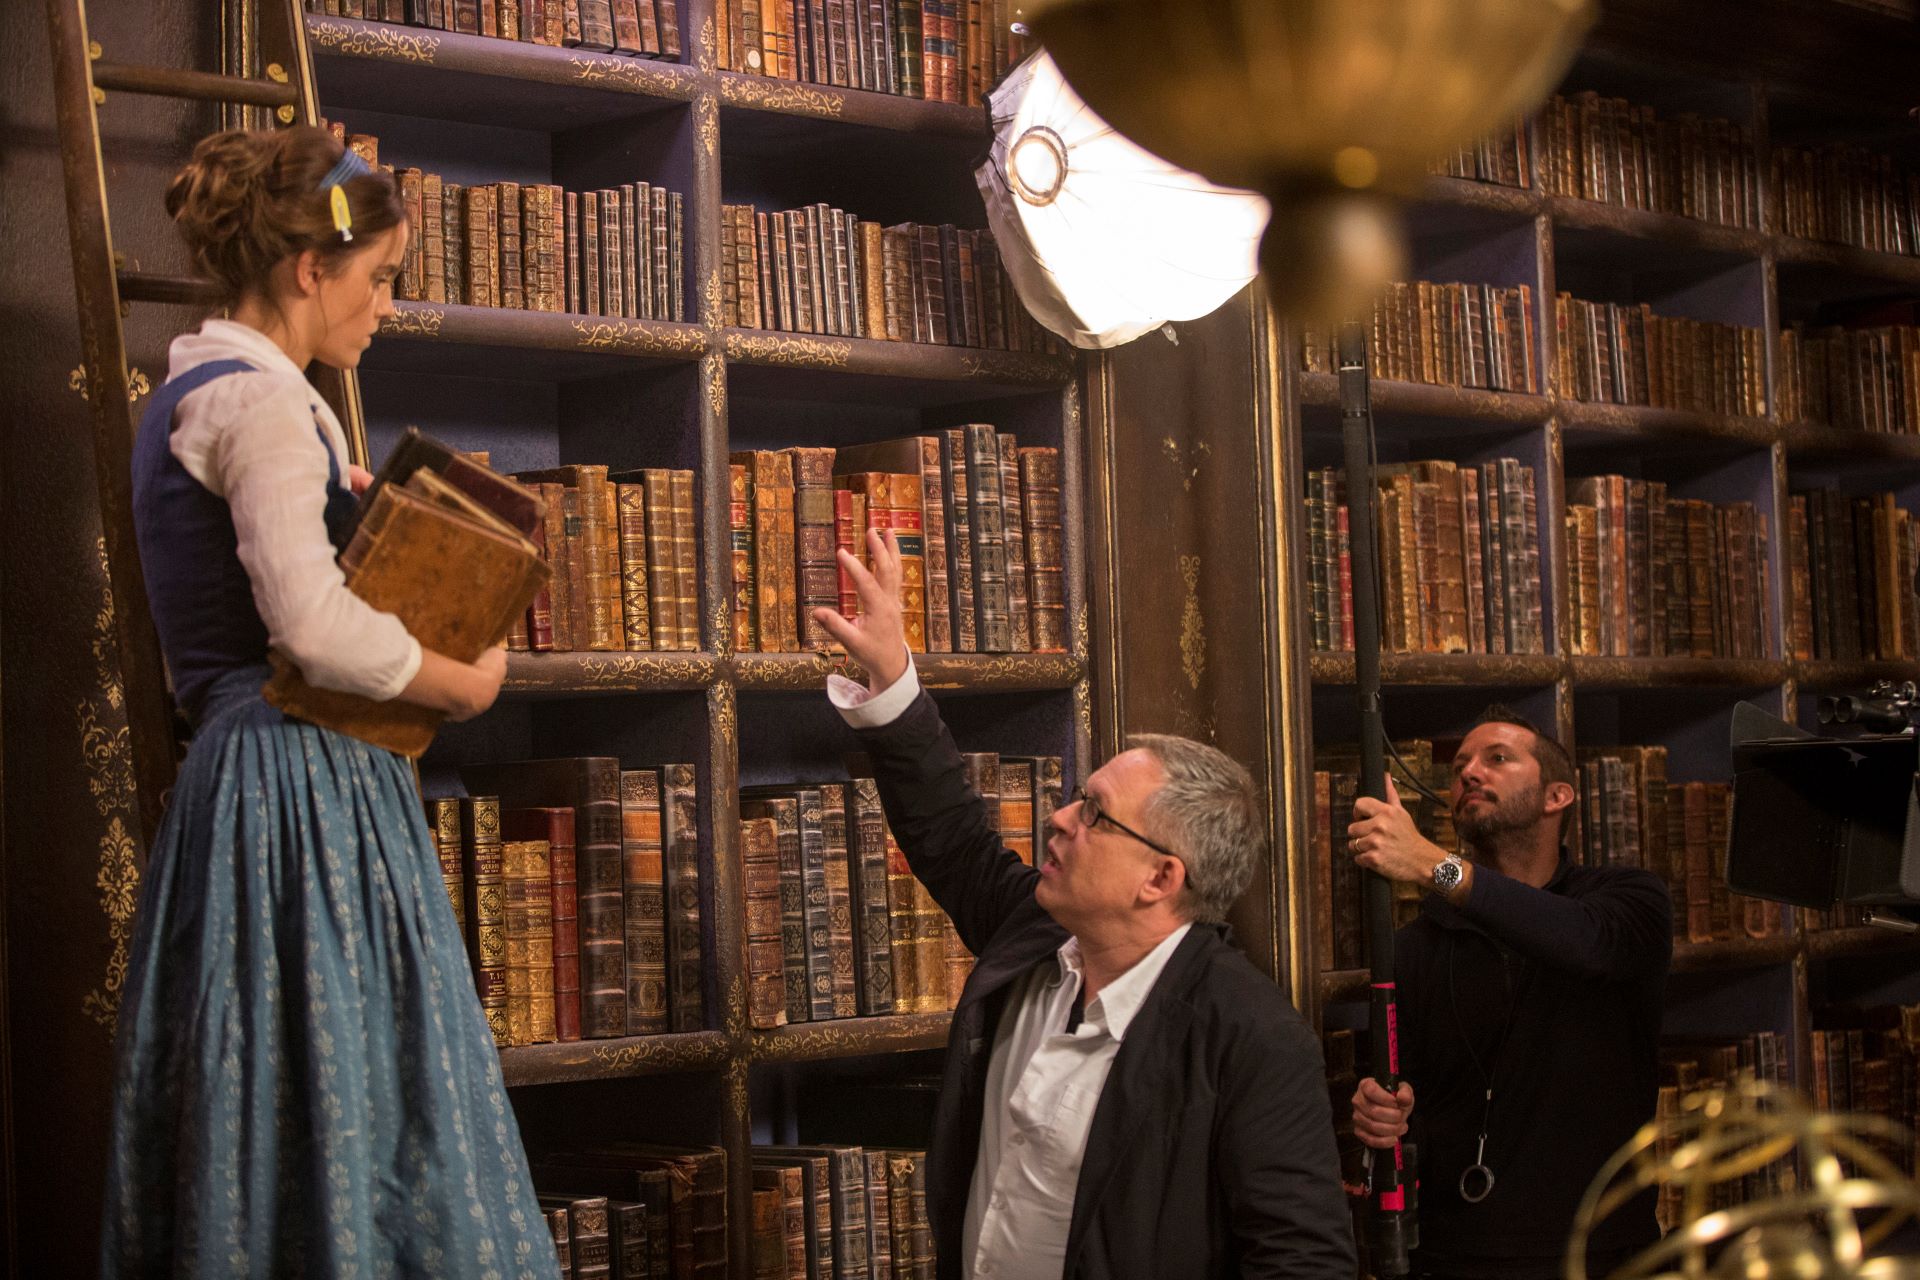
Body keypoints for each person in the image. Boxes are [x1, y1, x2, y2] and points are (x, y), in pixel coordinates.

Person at [100, 126, 558, 1278]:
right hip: (298, 776)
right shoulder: (259, 407)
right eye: (379, 275)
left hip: (258, 775)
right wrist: (456, 680)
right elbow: (305, 622)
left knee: (283, 1085)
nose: (384, 305)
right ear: (313, 269)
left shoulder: (204, 391)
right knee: (356, 1076)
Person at [813, 528, 1355, 1280]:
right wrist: (893, 677)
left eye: (1096, 814)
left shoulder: (1250, 1035)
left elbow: (1302, 1260)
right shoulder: (1034, 938)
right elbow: (952, 836)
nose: (1061, 820)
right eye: (1077, 800)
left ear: (1160, 879)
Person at [1345, 708, 1671, 1280]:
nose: (1469, 771)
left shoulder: (1628, 900)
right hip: (1454, 1255)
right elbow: (1410, 1102)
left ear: (1557, 796)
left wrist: (1429, 862)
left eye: (1496, 758)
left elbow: (1584, 943)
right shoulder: (1417, 946)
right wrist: (1382, 1115)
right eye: (1460, 765)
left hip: (1601, 1252)